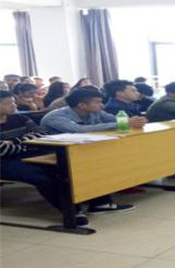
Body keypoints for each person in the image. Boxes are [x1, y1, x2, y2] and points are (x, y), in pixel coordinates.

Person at [0, 90, 91, 225]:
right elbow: (3, 150)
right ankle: (71, 211)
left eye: (14, 102)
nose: (14, 105)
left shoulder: (20, 118)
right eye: (8, 103)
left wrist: (15, 141)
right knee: (40, 177)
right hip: (5, 162)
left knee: (62, 169)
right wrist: (26, 142)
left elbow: (42, 133)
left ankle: (82, 201)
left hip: (28, 154)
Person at [41, 88, 147, 134]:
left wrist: (135, 121)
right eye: (98, 103)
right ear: (82, 105)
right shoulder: (55, 117)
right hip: (56, 152)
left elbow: (114, 120)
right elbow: (78, 130)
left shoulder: (96, 112)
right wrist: (121, 124)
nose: (102, 106)